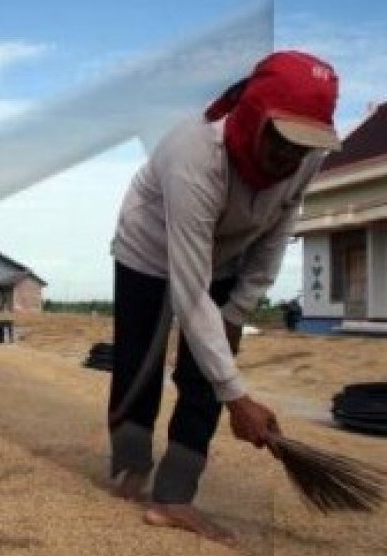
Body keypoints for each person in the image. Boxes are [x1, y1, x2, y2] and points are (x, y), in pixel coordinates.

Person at [108, 50, 340, 543]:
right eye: (281, 143)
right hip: (148, 249)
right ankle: (129, 463)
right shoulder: (193, 153)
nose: (289, 160)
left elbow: (279, 230)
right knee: (140, 361)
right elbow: (189, 297)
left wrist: (237, 311)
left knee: (204, 375)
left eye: (303, 149)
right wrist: (240, 398)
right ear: (254, 117)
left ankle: (173, 496)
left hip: (226, 254)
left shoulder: (305, 158)